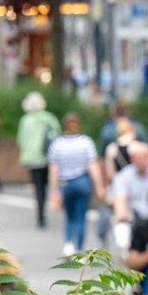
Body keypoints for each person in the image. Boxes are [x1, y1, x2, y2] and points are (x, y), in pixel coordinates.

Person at [46, 113, 103, 256]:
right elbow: (92, 166)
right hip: (83, 181)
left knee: (69, 215)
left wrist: (54, 191)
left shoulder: (57, 144)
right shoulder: (86, 142)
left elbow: (54, 169)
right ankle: (80, 248)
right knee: (81, 216)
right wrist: (99, 186)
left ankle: (68, 243)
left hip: (66, 183)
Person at [16, 92, 60, 229]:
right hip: (48, 156)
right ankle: (44, 210)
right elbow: (57, 134)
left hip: (33, 159)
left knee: (38, 188)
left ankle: (40, 215)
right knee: (46, 185)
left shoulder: (25, 120)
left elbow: (21, 139)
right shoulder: (49, 118)